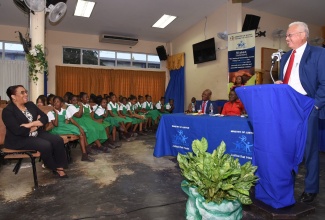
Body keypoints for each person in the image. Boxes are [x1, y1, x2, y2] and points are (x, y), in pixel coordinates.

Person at [275, 21, 325, 203]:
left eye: (290, 35)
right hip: (288, 107)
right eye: (287, 35)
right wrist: (280, 86)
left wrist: (316, 105)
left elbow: (324, 83)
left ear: (303, 35)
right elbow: (286, 81)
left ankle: (311, 189)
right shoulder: (286, 57)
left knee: (310, 150)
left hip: (308, 106)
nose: (286, 38)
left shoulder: (319, 54)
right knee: (288, 149)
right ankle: (286, 185)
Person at [2, 85, 68, 178]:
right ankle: (53, 167)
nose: (26, 94)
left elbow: (45, 117)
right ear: (13, 96)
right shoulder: (8, 111)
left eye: (26, 92)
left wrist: (31, 124)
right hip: (19, 139)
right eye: (22, 93)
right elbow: (18, 130)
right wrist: (36, 124)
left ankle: (60, 167)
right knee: (45, 145)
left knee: (58, 140)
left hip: (35, 133)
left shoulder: (30, 105)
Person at [47, 96, 95, 162]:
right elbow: (56, 124)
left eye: (58, 102)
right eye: (54, 102)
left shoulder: (65, 111)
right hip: (57, 129)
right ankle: (86, 151)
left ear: (61, 104)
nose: (56, 103)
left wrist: (79, 127)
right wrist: (56, 114)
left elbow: (72, 120)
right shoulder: (50, 113)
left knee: (82, 130)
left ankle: (85, 154)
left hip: (64, 126)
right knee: (80, 133)